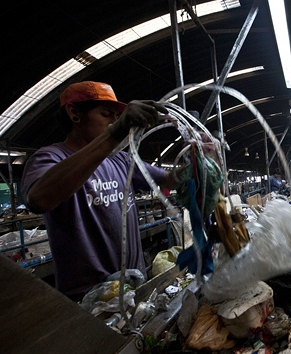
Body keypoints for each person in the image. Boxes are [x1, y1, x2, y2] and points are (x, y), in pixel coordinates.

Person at [20, 81, 184, 302]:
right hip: (89, 302)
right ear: (75, 114)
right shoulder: (51, 158)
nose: (114, 121)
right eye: (107, 114)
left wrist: (193, 166)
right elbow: (39, 199)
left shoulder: (121, 161)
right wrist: (114, 134)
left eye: (117, 117)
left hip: (135, 290)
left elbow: (167, 180)